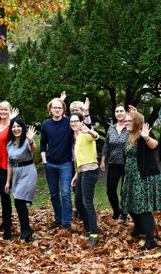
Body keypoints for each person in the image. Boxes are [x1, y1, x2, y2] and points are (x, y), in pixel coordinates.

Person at [121, 110, 160, 250]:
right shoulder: (129, 135)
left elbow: (155, 145)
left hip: (143, 176)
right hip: (131, 176)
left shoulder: (144, 132)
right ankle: (139, 228)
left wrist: (146, 138)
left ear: (136, 122)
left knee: (143, 208)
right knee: (129, 203)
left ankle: (150, 240)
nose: (125, 123)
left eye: (128, 121)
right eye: (125, 121)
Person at [40, 98, 74, 230]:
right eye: (55, 108)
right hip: (50, 164)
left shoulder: (68, 122)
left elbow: (83, 127)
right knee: (54, 194)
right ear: (50, 110)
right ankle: (58, 219)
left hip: (65, 164)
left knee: (65, 194)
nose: (57, 110)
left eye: (60, 108)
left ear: (63, 109)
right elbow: (42, 144)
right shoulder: (46, 124)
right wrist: (44, 161)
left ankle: (66, 222)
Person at [69, 113, 100, 246]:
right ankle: (88, 228)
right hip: (82, 172)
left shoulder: (85, 132)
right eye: (71, 122)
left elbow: (96, 136)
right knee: (78, 202)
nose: (74, 123)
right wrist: (76, 174)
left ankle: (94, 233)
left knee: (87, 202)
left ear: (82, 122)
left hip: (90, 171)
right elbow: (79, 159)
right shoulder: (76, 137)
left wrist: (90, 130)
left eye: (76, 121)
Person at [5, 118, 38, 242]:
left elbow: (34, 149)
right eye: (13, 127)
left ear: (22, 128)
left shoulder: (26, 141)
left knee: (19, 201)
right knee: (19, 202)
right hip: (16, 174)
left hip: (28, 171)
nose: (16, 129)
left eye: (18, 126)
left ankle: (26, 230)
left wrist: (30, 141)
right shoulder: (9, 144)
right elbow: (10, 164)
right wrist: (8, 182)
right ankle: (26, 229)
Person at [0, 101, 18, 239]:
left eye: (6, 109)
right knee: (2, 196)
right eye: (1, 109)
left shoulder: (12, 126)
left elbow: (16, 137)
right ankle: (5, 222)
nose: (3, 112)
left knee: (6, 197)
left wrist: (12, 120)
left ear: (10, 111)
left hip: (6, 166)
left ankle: (8, 230)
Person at [100, 104, 129, 220]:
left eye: (121, 111)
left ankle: (124, 214)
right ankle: (117, 210)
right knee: (110, 190)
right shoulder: (111, 128)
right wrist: (103, 160)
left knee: (125, 192)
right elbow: (106, 145)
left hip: (127, 164)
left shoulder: (130, 127)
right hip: (113, 163)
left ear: (126, 112)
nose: (119, 113)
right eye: (117, 111)